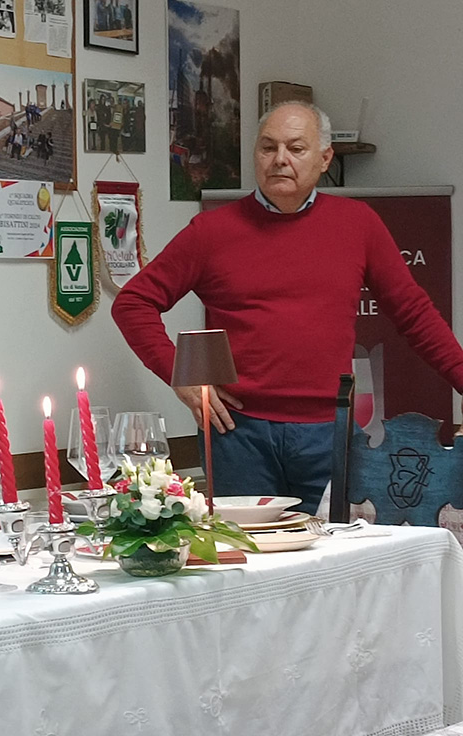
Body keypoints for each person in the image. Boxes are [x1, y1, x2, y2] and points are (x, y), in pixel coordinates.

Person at [111, 101, 463, 513]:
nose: (280, 159)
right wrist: (179, 374)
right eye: (268, 147)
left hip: (329, 432)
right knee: (247, 550)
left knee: (336, 548)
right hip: (236, 433)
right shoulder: (211, 231)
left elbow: (414, 314)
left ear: (324, 158)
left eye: (296, 148)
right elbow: (133, 302)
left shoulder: (358, 224)